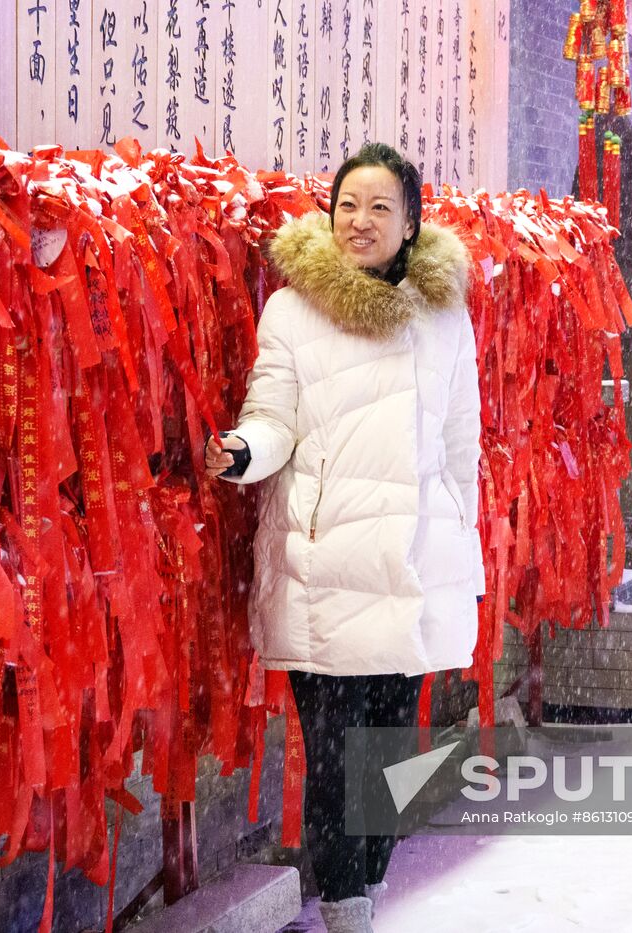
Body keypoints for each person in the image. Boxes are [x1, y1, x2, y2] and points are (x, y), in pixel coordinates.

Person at [204, 143, 485, 933]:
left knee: (389, 761)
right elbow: (273, 416)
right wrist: (242, 452)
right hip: (323, 563)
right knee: (335, 758)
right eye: (347, 206)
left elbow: (461, 445)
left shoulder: (445, 317)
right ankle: (346, 911)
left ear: (411, 221)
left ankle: (363, 893)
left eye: (378, 208)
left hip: (413, 563)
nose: (359, 222)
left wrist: (459, 545)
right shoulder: (293, 309)